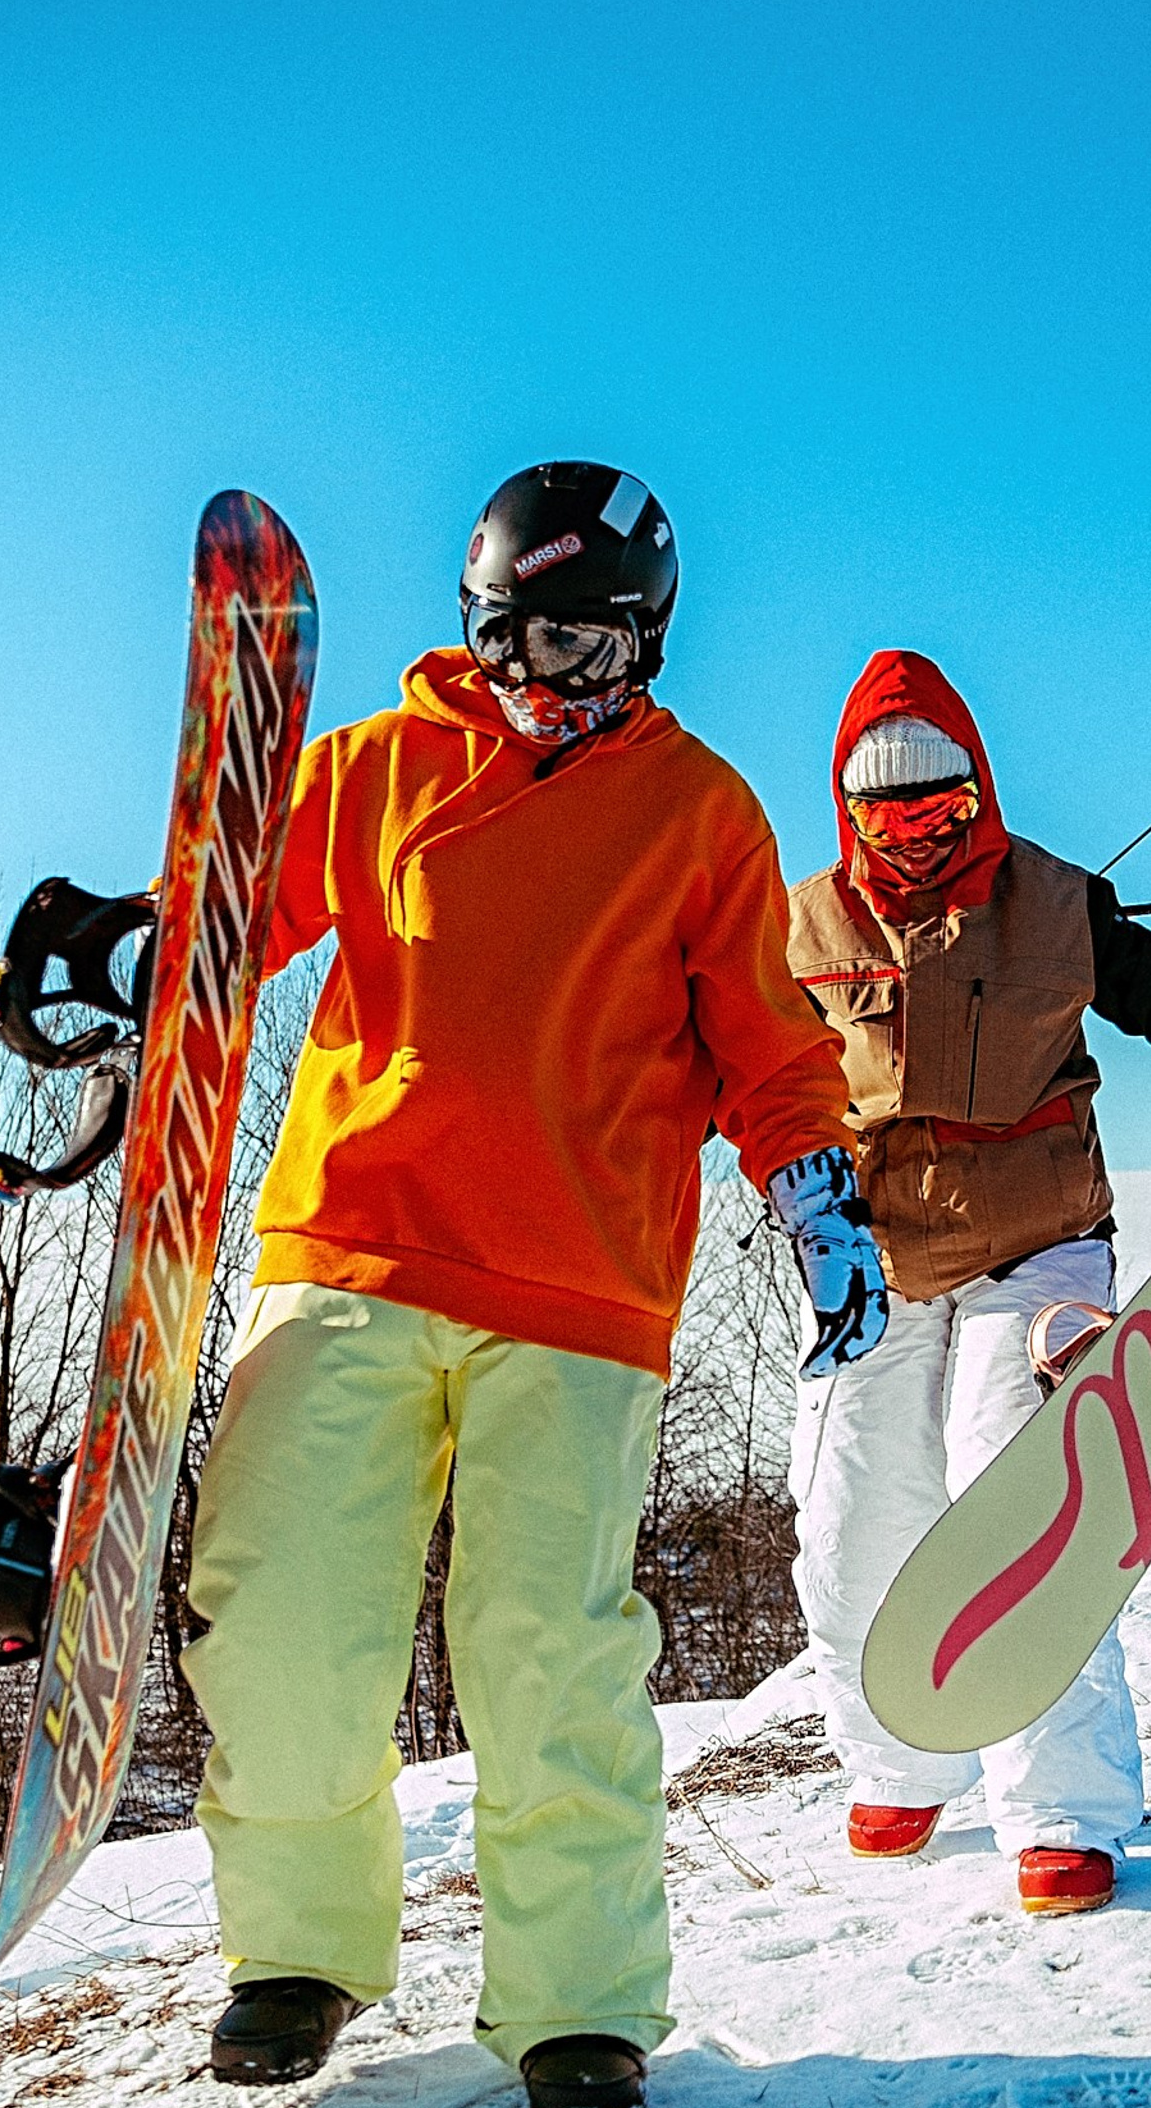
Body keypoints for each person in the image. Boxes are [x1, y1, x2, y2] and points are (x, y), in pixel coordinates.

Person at [184, 463, 886, 2103]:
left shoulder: (701, 812)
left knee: (547, 1657)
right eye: (523, 644)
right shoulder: (368, 774)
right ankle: (297, 1955)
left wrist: (815, 1186)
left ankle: (578, 2007)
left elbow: (767, 1045)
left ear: (649, 647)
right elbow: (226, 922)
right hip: (351, 1247)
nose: (551, 688)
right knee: (284, 1621)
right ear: (473, 625)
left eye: (595, 656)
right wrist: (131, 950)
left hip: (578, 1295)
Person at [785, 649, 1151, 1919]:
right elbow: (726, 1059)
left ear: (980, 794)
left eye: (941, 809)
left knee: (1023, 1504)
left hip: (1038, 1247)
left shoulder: (1057, 902)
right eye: (887, 814)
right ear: (849, 814)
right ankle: (902, 1759)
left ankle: (1062, 1807)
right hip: (876, 1257)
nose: (915, 838)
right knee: (848, 1525)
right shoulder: (801, 928)